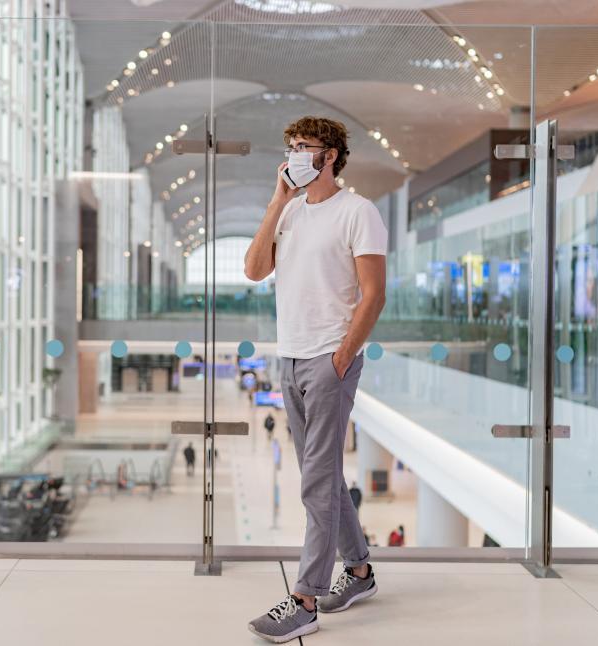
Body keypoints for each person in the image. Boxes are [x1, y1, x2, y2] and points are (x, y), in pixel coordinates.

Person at [244, 116, 388, 643]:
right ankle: (360, 571)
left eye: (303, 146)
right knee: (320, 474)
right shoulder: (289, 212)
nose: (293, 154)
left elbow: (374, 294)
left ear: (330, 156)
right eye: (290, 146)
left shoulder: (358, 212)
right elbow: (254, 269)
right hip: (290, 357)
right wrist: (276, 202)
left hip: (330, 360)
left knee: (317, 482)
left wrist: (343, 357)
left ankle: (305, 600)